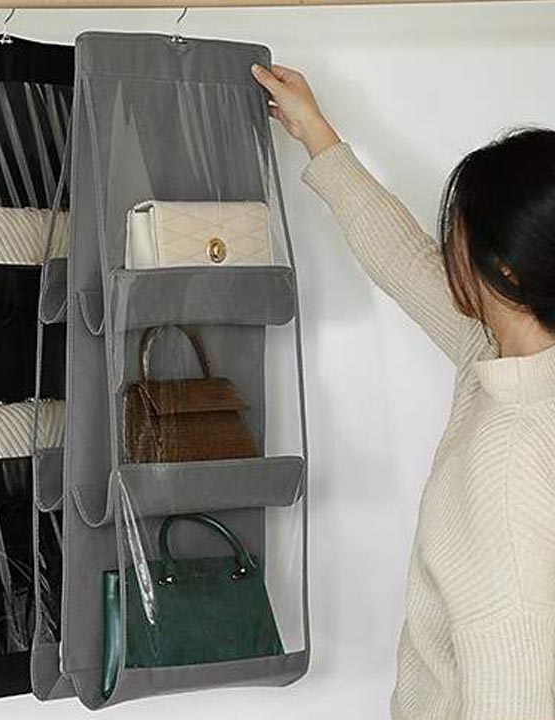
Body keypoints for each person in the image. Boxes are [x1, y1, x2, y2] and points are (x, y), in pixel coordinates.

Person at [252, 63, 555, 720]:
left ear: (505, 269)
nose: (447, 251)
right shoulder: (500, 355)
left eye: (458, 236)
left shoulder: (509, 457)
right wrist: (316, 134)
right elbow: (405, 261)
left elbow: (516, 691)